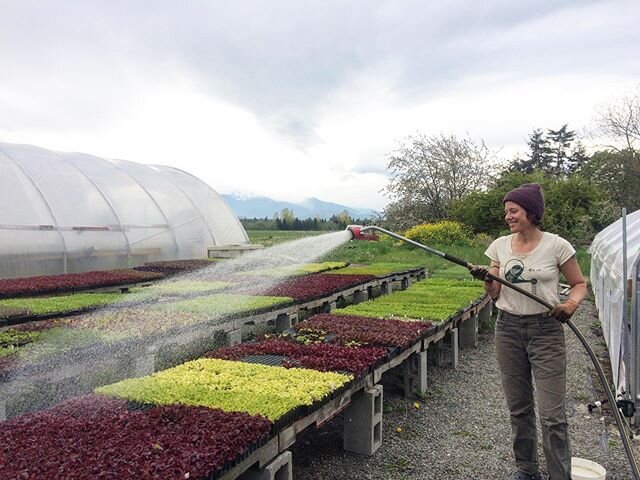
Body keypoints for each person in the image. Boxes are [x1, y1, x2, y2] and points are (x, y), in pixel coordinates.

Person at [469, 183, 588, 480]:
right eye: (506, 212)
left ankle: (560, 475)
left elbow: (579, 284)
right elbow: (495, 293)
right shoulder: (499, 245)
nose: (508, 216)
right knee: (519, 407)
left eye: (513, 210)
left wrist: (570, 304)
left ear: (531, 213)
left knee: (552, 415)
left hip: (546, 330)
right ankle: (526, 469)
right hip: (507, 328)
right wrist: (486, 279)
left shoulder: (557, 245)